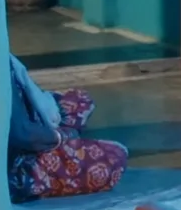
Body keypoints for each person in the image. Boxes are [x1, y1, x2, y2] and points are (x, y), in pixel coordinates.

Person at [7, 55, 128, 201]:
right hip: (11, 168)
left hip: (20, 131)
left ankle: (62, 150)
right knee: (116, 157)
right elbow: (24, 135)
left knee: (81, 101)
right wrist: (61, 137)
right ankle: (49, 162)